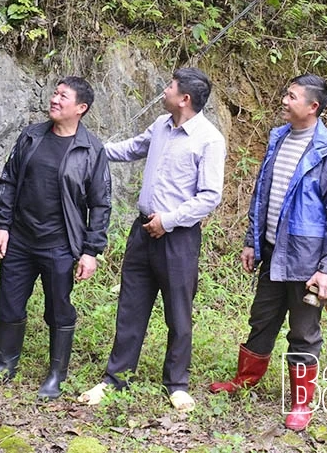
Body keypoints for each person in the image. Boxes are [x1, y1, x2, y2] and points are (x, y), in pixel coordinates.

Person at [208, 74, 327, 431]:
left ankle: (301, 403)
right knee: (262, 317)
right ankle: (246, 379)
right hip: (274, 251)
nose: (284, 101)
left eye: (292, 96)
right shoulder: (279, 138)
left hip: (308, 261)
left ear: (313, 107)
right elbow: (263, 194)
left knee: (304, 331)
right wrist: (251, 241)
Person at [78, 67, 226, 412]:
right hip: (142, 232)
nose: (165, 89)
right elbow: (131, 149)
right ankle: (115, 378)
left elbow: (209, 196)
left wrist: (169, 221)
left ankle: (176, 383)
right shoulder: (161, 125)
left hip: (179, 237)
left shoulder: (209, 139)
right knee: (131, 306)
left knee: (178, 311)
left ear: (184, 99)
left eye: (170, 86)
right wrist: (89, 147)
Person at [0, 76, 112, 400]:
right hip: (20, 238)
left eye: (63, 96)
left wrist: (91, 250)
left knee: (59, 310)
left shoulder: (91, 150)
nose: (54, 99)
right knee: (8, 302)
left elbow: (100, 203)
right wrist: (2, 226)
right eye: (54, 93)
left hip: (60, 244)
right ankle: (4, 365)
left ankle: (55, 376)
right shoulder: (31, 136)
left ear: (81, 108)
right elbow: (8, 181)